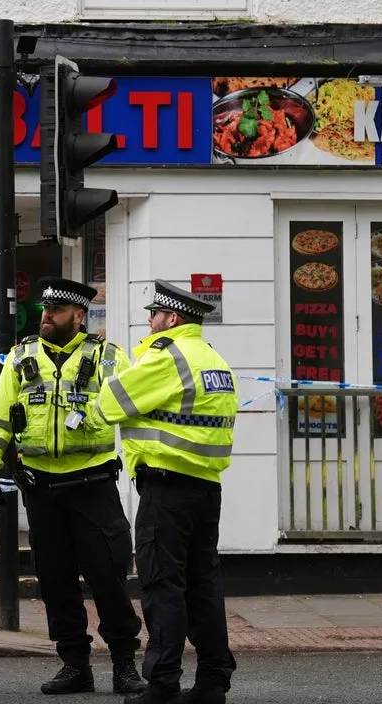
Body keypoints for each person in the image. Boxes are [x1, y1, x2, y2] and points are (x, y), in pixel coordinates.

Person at [0, 277, 146, 697]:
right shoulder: (21, 357)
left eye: (55, 311)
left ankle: (125, 663)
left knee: (107, 574)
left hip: (92, 484)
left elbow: (138, 412)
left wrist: (146, 463)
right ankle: (75, 664)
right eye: (44, 310)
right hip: (41, 487)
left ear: (79, 315)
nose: (46, 316)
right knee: (55, 580)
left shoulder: (109, 358)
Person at [87, 280, 239, 704]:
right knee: (203, 586)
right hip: (206, 488)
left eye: (154, 315)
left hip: (166, 489)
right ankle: (212, 682)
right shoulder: (213, 359)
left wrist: (117, 375)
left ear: (172, 319)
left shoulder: (166, 356)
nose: (149, 323)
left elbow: (108, 405)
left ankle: (162, 682)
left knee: (162, 585)